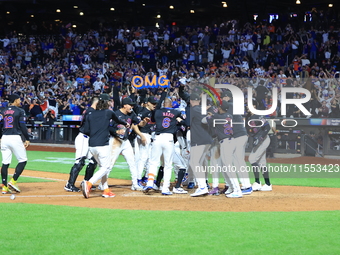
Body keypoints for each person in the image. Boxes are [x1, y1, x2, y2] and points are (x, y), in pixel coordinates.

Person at [81, 94, 129, 198]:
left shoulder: (90, 114)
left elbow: (86, 130)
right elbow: (118, 120)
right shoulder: (108, 112)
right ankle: (89, 183)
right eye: (109, 101)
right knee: (106, 168)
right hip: (102, 145)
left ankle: (106, 190)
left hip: (92, 145)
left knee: (102, 167)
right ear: (107, 102)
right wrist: (125, 124)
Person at [143, 98, 183, 195]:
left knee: (153, 162)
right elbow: (183, 121)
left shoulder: (157, 112)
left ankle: (150, 182)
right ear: (171, 105)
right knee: (168, 165)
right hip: (169, 138)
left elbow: (152, 120)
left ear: (163, 104)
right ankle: (165, 188)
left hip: (157, 138)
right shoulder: (176, 112)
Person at [64, 96, 99, 192]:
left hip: (88, 138)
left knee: (93, 161)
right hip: (84, 137)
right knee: (80, 161)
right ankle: (69, 184)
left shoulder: (90, 111)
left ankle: (86, 182)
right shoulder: (90, 112)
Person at [1, 94, 30, 194]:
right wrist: (27, 138)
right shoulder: (20, 111)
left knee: (5, 163)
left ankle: (4, 187)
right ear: (15, 100)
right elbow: (22, 126)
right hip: (15, 137)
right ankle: (13, 181)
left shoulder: (3, 111)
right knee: (23, 160)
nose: (20, 101)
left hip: (4, 138)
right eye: (19, 100)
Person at [247, 99, 272, 192]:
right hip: (258, 141)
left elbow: (267, 127)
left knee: (252, 159)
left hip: (264, 140)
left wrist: (260, 138)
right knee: (262, 163)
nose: (247, 107)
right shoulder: (250, 117)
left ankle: (257, 183)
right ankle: (268, 184)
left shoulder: (258, 115)